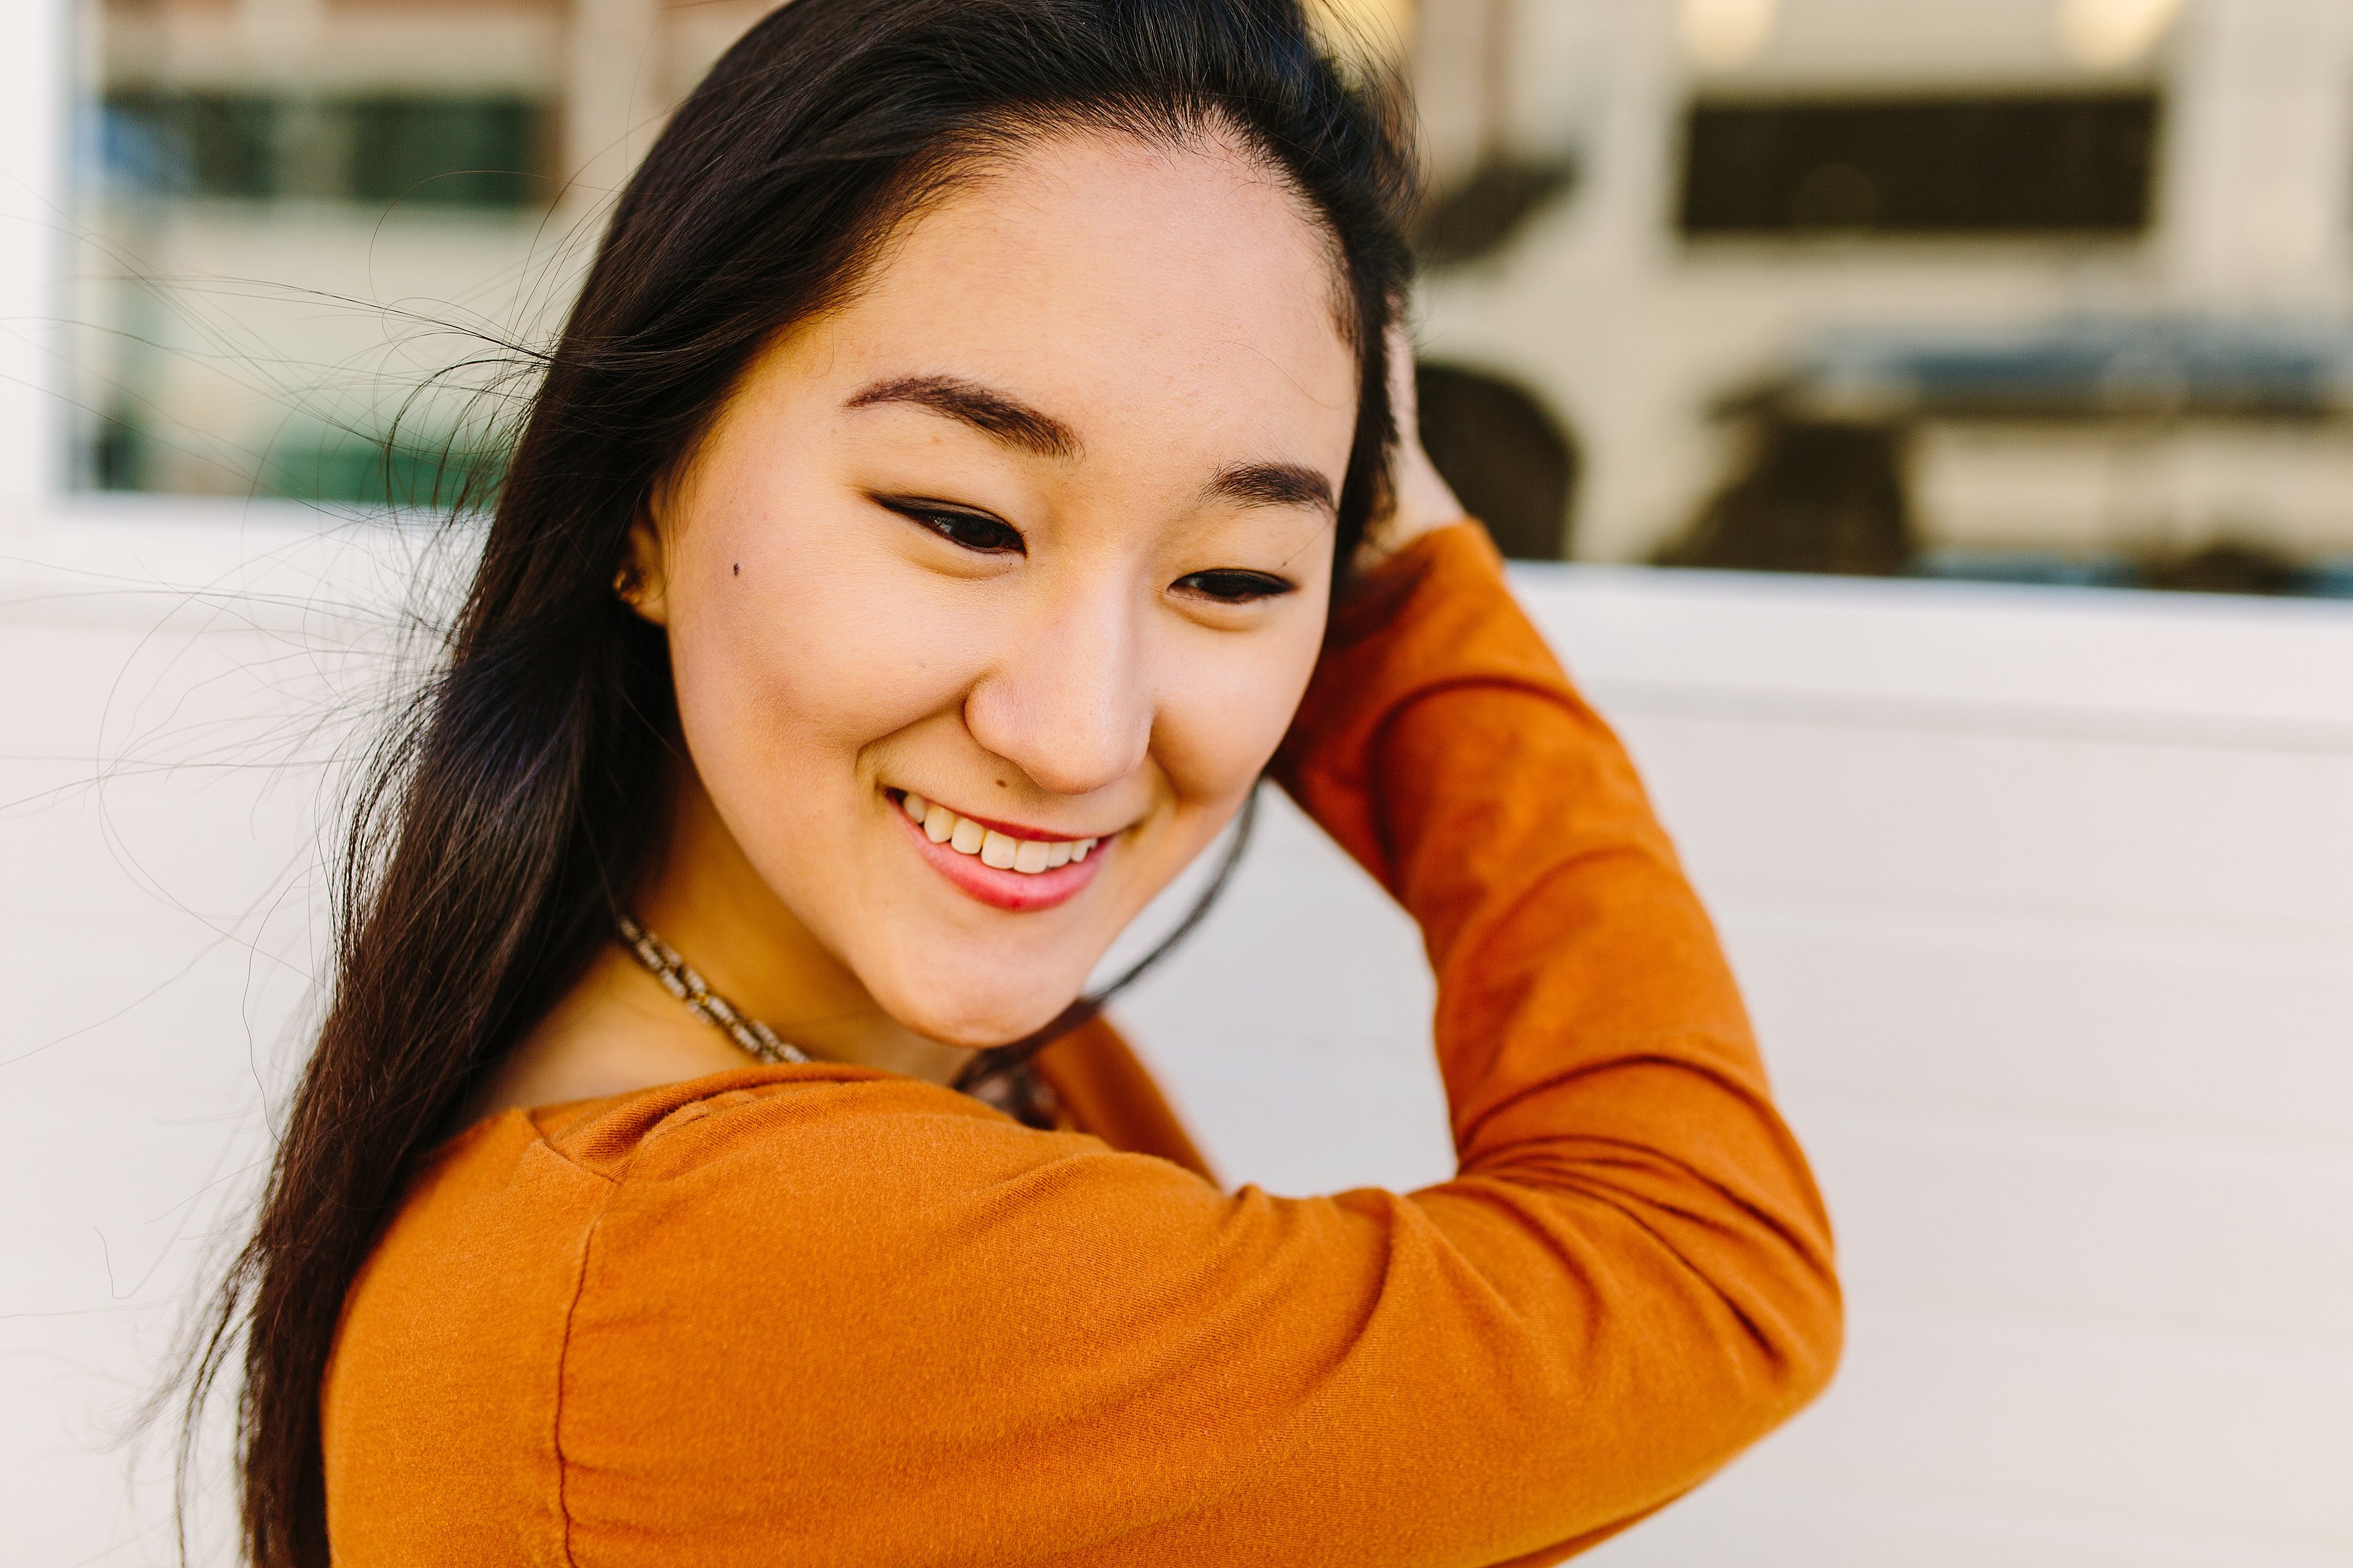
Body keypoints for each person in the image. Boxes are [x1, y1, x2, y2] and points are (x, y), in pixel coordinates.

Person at [186, 2, 1842, 1563]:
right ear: (644, 503)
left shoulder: (941, 1062)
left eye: (1238, 578)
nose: (1078, 735)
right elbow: (1705, 1273)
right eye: (964, 521)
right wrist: (1413, 590)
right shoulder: (706, 1274)